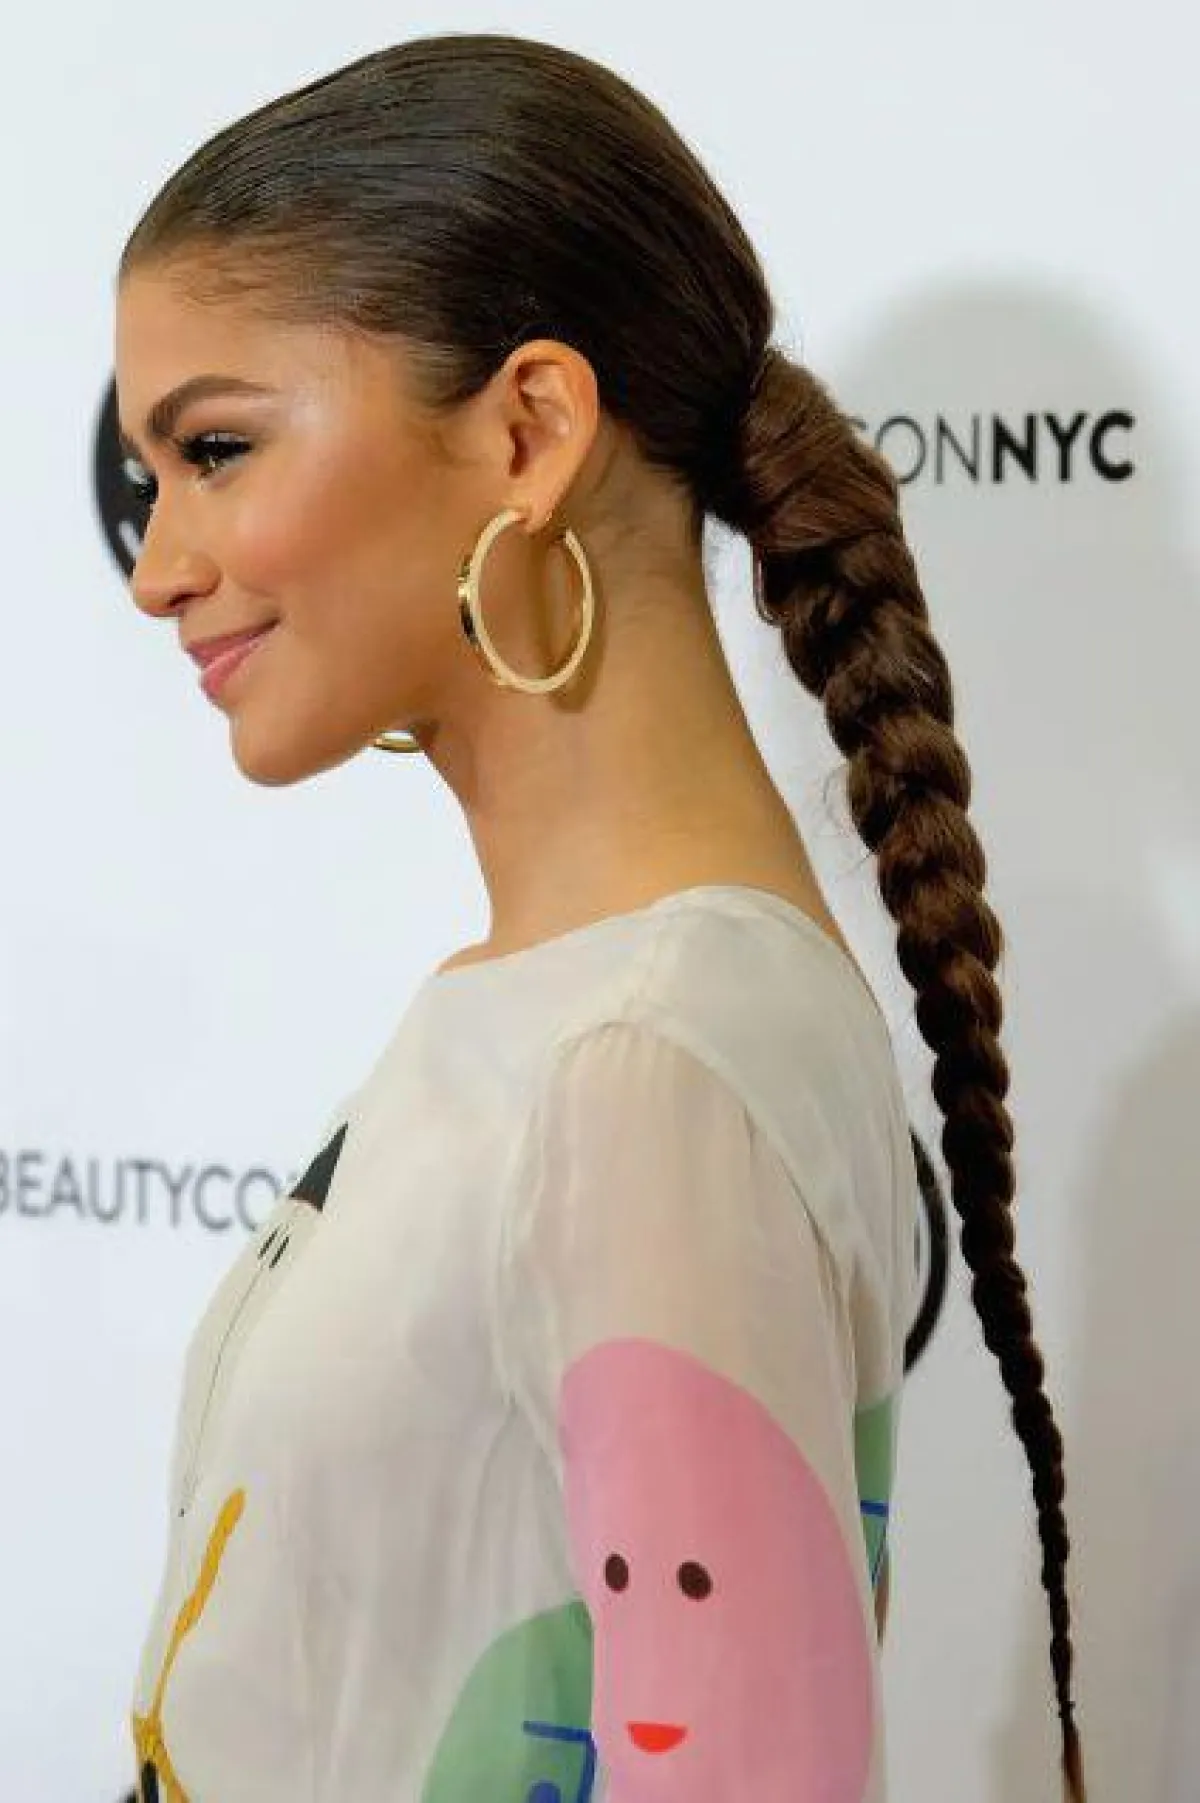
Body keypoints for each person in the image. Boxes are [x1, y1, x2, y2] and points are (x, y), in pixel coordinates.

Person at [112, 31, 1084, 1803]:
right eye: (153, 475)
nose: (158, 567)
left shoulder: (646, 1056)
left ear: (531, 431)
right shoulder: (592, 1013)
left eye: (217, 448)